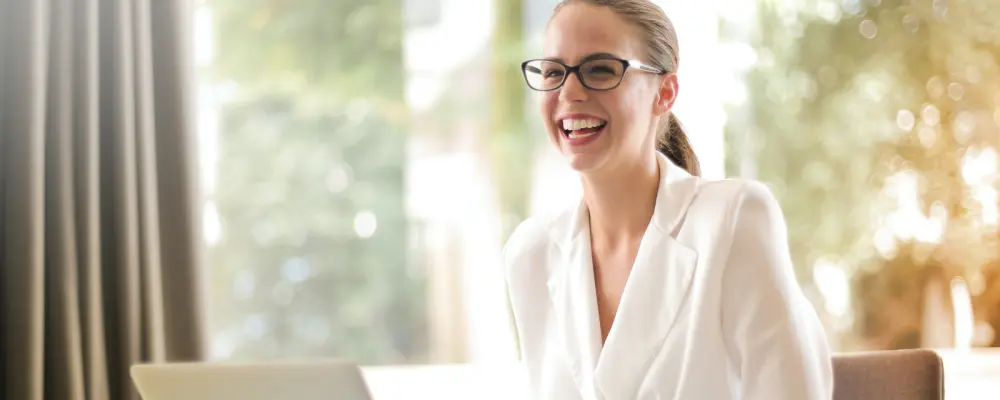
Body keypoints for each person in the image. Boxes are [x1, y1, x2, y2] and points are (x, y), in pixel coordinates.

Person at [501, 1, 834, 399]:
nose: (569, 92)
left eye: (600, 69)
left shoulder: (734, 220)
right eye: (554, 72)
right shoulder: (531, 253)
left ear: (665, 92)